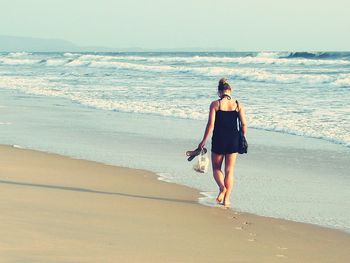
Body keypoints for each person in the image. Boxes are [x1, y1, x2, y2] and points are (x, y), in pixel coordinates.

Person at [198, 78, 247, 208]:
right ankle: (227, 200)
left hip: (219, 139)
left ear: (219, 92)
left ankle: (222, 188)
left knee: (216, 168)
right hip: (233, 139)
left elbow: (210, 124)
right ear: (230, 91)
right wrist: (241, 136)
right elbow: (244, 125)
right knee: (230, 170)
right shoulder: (238, 104)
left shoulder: (215, 104)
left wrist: (203, 141)